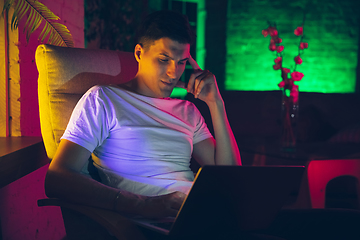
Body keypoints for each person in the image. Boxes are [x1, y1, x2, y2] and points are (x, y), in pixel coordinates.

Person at [45, 10, 241, 220]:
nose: (174, 73)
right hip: (152, 222)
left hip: (202, 212)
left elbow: (229, 178)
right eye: (164, 59)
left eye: (182, 61)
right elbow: (57, 178)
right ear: (139, 53)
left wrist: (216, 103)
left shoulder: (187, 111)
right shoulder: (104, 99)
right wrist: (140, 204)